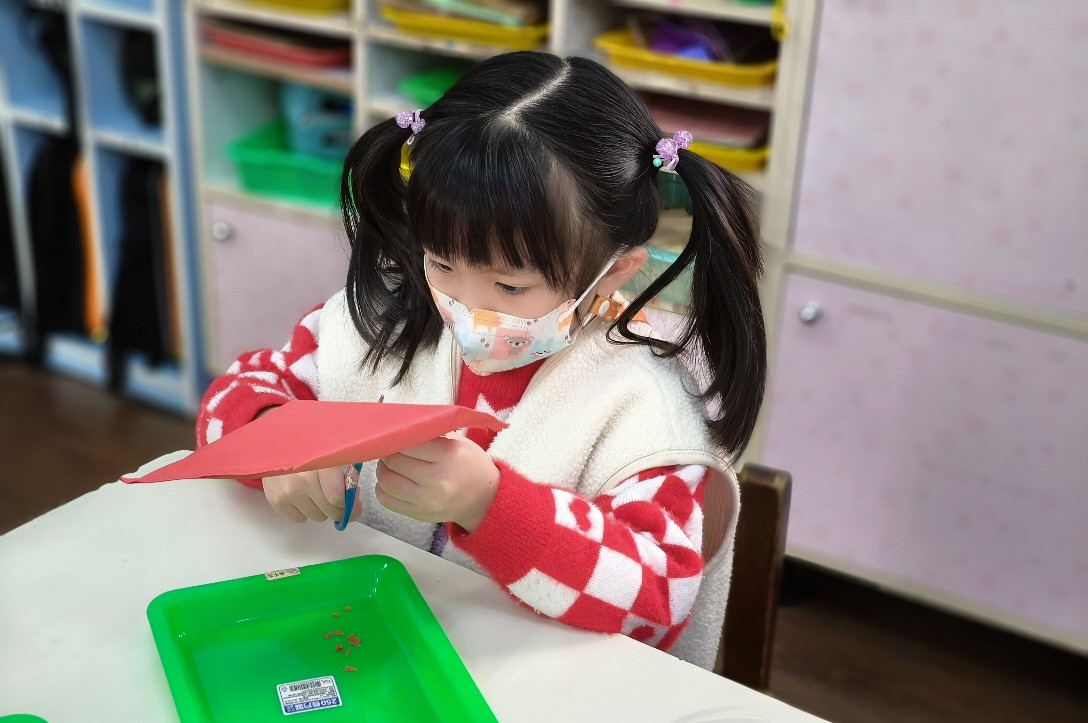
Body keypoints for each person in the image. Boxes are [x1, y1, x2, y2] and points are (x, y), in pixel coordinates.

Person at [198, 52, 766, 654]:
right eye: (442, 263)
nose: (466, 307)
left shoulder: (643, 404)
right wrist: (278, 438)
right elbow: (229, 402)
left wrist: (490, 505)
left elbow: (655, 599)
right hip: (378, 653)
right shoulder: (384, 318)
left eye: (510, 287)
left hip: (533, 686)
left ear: (614, 271)